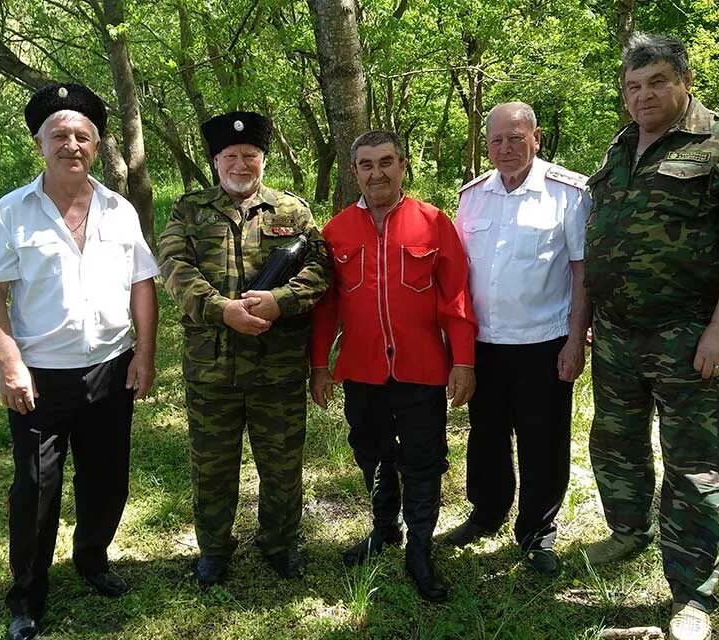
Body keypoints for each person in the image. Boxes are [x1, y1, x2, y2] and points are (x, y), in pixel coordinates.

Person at [584, 33, 719, 640]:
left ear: (684, 80)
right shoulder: (620, 149)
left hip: (686, 337)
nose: (643, 95)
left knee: (694, 466)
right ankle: (628, 530)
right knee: (616, 442)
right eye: (633, 86)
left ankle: (692, 589)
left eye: (655, 82)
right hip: (616, 337)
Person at [0, 82, 159, 640]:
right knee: (35, 487)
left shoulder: (119, 210)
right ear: (39, 144)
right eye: (59, 135)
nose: (71, 144)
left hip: (111, 365)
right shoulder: (7, 215)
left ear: (98, 147)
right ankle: (27, 596)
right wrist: (10, 364)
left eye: (82, 136)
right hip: (41, 376)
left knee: (107, 479)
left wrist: (146, 355)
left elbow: (142, 285)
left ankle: (92, 559)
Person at [159, 111, 331, 586]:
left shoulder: (292, 212)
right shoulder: (189, 211)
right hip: (212, 368)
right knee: (212, 467)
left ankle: (279, 543)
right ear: (215, 161)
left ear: (263, 160)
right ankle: (214, 548)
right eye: (230, 156)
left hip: (277, 367)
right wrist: (221, 309)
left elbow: (320, 270)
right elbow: (174, 267)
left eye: (250, 156)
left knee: (282, 464)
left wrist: (281, 300)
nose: (241, 164)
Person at [310, 130, 477, 602]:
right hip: (362, 371)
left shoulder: (433, 222)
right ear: (354, 171)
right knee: (371, 451)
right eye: (366, 164)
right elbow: (326, 308)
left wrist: (463, 360)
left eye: (386, 162)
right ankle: (385, 528)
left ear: (403, 166)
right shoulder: (337, 230)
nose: (376, 172)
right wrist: (319, 365)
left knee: (423, 461)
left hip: (422, 370)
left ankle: (419, 549)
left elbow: (457, 298)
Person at [444, 102, 591, 576]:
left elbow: (581, 272)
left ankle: (537, 531)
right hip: (484, 343)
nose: (505, 149)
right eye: (496, 141)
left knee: (541, 440)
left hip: (543, 341)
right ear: (485, 144)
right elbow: (458, 275)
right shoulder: (473, 196)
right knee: (485, 437)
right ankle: (486, 513)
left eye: (515, 138)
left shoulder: (568, 192)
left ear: (536, 138)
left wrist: (575, 339)